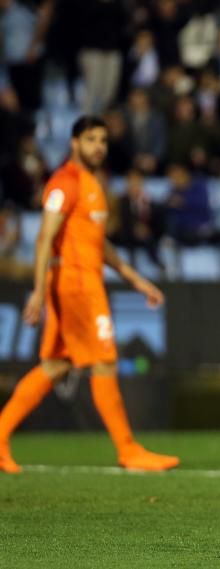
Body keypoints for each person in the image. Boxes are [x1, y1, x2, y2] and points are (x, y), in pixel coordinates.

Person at [0, 116, 178, 474]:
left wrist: (136, 279)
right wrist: (37, 291)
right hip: (75, 285)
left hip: (83, 282)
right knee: (104, 361)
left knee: (55, 365)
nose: (99, 146)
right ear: (74, 143)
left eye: (103, 140)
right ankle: (127, 450)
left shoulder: (91, 184)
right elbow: (43, 237)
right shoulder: (64, 183)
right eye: (91, 139)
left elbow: (99, 244)